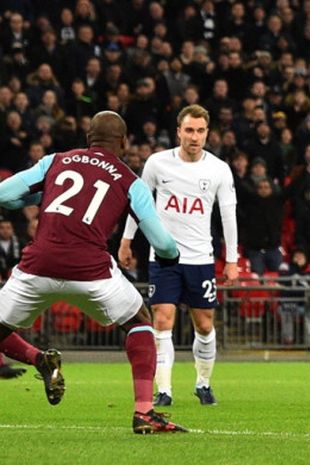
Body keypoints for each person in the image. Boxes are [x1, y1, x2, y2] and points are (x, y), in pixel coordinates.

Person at [0, 111, 186, 433]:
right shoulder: (130, 180)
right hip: (91, 272)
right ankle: (144, 413)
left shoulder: (56, 161)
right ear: (124, 143)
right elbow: (162, 242)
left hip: (38, 265)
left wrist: (40, 198)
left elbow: (4, 195)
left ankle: (38, 359)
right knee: (139, 321)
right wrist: (172, 257)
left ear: (88, 140)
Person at [119, 104, 239, 407]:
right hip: (164, 257)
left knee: (204, 325)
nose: (194, 136)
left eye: (200, 131)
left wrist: (233, 259)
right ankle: (164, 390)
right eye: (189, 130)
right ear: (178, 132)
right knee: (162, 319)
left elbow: (228, 215)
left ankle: (203, 383)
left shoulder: (218, 169)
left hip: (200, 258)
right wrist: (126, 240)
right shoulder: (158, 164)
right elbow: (139, 203)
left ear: (207, 133)